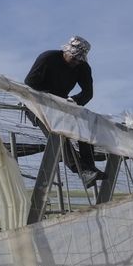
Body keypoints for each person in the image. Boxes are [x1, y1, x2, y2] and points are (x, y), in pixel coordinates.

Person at [25, 36, 101, 187]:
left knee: (84, 125)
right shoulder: (48, 58)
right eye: (73, 59)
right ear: (66, 51)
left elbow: (88, 93)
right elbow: (30, 83)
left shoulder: (83, 67)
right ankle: (81, 171)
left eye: (79, 60)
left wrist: (73, 101)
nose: (76, 63)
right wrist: (52, 98)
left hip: (61, 104)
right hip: (37, 105)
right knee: (58, 136)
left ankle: (89, 166)